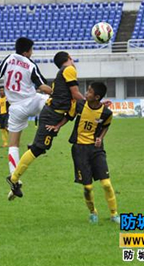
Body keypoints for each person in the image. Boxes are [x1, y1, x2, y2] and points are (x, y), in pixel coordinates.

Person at [7, 51, 85, 200]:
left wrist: (59, 125)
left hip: (54, 116)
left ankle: (16, 175)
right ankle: (14, 178)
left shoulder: (64, 74)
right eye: (71, 58)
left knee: (40, 148)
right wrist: (94, 107)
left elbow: (71, 107)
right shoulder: (69, 70)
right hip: (51, 115)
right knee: (38, 148)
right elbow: (75, 94)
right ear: (69, 59)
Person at [0, 37, 52, 190]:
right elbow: (42, 86)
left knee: (13, 145)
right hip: (32, 101)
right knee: (54, 105)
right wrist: (59, 93)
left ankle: (14, 179)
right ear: (26, 51)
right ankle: (40, 139)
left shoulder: (9, 59)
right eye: (31, 50)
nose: (32, 53)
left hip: (15, 109)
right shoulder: (30, 64)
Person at [47, 82, 119, 224]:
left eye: (90, 92)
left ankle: (114, 214)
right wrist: (57, 126)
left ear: (97, 97)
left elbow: (105, 126)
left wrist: (100, 138)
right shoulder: (80, 105)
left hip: (96, 150)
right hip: (79, 150)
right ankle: (93, 212)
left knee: (106, 184)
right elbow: (68, 116)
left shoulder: (106, 113)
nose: (86, 93)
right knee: (87, 187)